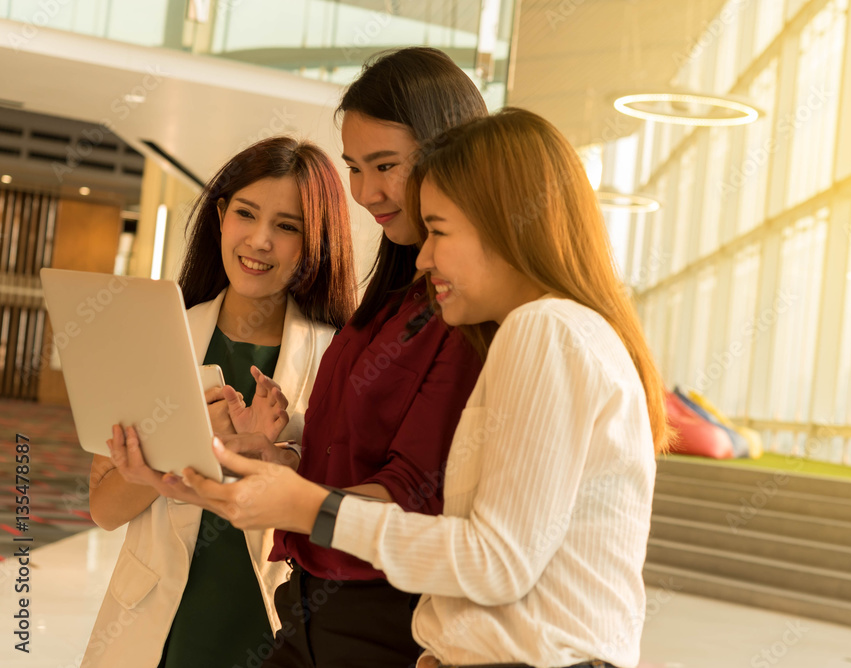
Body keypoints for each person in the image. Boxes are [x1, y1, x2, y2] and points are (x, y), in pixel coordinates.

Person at [131, 107, 672, 668]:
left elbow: (496, 561)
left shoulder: (544, 329)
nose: (425, 255)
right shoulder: (565, 330)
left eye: (438, 230)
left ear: (507, 223)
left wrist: (309, 505)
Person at [106, 47, 490, 668]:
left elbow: (418, 492)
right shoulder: (386, 307)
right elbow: (348, 457)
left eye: (385, 165)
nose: (366, 191)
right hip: (302, 606)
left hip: (363, 607)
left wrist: (270, 481)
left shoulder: (455, 311)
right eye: (354, 168)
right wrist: (276, 452)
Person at [83, 136, 355, 668]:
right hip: (157, 632)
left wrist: (272, 457)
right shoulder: (156, 337)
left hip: (274, 625)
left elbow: (347, 517)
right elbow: (103, 509)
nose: (259, 240)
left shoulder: (338, 358)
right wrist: (183, 450)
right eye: (246, 215)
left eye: (287, 226)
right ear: (221, 217)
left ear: (315, 242)